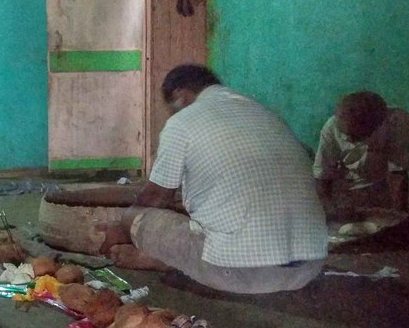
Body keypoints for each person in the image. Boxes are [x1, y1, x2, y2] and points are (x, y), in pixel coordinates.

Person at [100, 64, 328, 294]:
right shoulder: (264, 113)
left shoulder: (183, 122)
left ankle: (164, 260)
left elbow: (155, 199)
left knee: (135, 216)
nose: (173, 113)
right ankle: (180, 262)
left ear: (180, 94)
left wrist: (120, 229)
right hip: (309, 269)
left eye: (171, 107)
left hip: (241, 274)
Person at [313, 91, 409, 219]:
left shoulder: (397, 123)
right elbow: (322, 177)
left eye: (354, 136)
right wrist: (331, 211)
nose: (348, 140)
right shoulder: (331, 127)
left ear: (375, 126)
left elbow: (398, 175)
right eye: (344, 134)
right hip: (344, 196)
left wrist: (399, 217)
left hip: (381, 192)